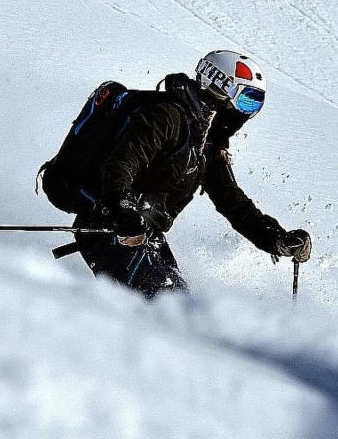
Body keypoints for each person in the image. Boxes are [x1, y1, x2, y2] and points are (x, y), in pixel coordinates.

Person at [68, 50, 312, 297]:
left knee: (179, 305)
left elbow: (232, 202)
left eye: (255, 104)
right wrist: (123, 212)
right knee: (171, 307)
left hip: (144, 234)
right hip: (109, 227)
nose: (248, 113)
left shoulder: (205, 144)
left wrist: (277, 239)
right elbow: (121, 165)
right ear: (220, 87)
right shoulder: (167, 117)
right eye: (247, 100)